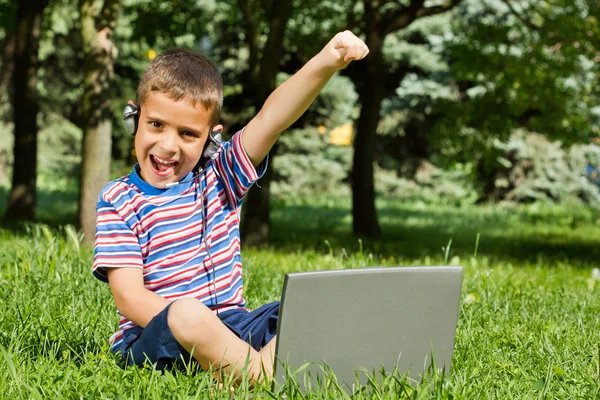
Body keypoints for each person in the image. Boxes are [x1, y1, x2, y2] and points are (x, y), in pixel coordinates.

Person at [92, 31, 369, 384]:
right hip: (161, 339)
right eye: (156, 124)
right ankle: (262, 375)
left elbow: (272, 118)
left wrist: (328, 59)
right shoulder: (119, 199)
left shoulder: (221, 174)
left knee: (315, 305)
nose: (167, 145)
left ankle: (236, 370)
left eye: (188, 134)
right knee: (189, 314)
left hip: (235, 325)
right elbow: (130, 299)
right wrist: (201, 328)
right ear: (135, 119)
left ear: (211, 138)